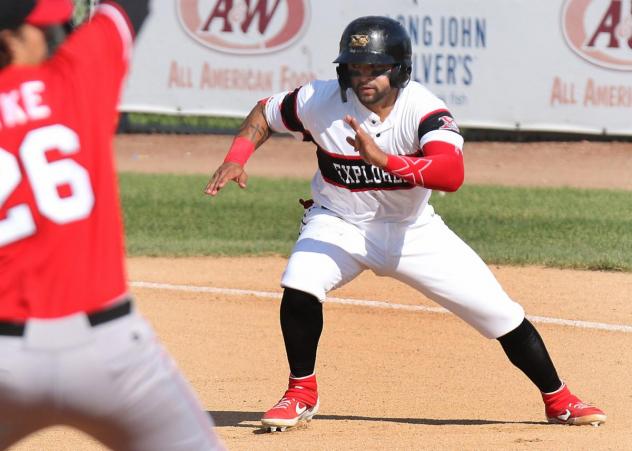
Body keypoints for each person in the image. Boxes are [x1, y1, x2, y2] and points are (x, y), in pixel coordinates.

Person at [205, 16, 606, 432]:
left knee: (499, 314)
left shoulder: (424, 109)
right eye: (356, 67)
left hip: (412, 231)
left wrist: (384, 160)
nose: (365, 77)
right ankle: (301, 392)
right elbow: (264, 114)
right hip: (339, 221)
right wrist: (236, 157)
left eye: (376, 68)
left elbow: (451, 173)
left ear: (400, 69)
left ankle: (558, 399)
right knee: (301, 281)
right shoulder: (318, 99)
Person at [0, 1, 224, 449]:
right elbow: (133, 6)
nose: (54, 36)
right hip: (111, 352)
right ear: (11, 37)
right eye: (43, 28)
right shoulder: (75, 74)